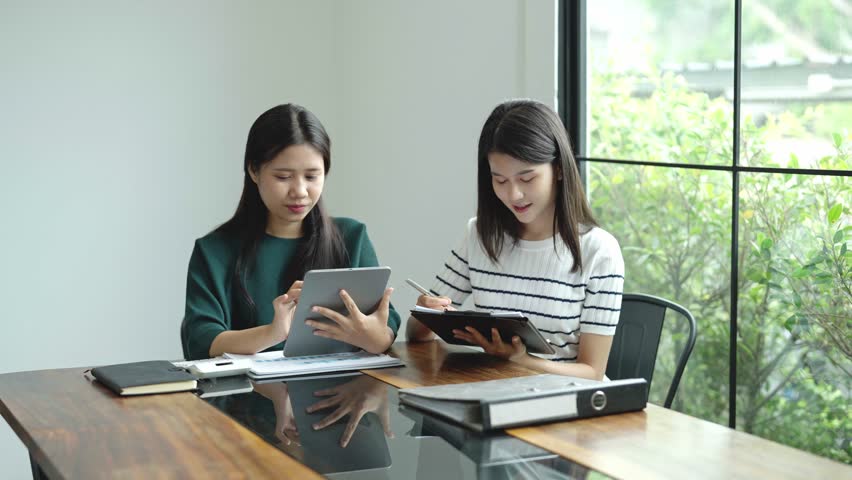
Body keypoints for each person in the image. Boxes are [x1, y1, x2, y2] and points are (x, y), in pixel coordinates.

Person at [406, 99, 624, 380]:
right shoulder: (480, 235)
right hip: (497, 394)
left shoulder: (599, 251)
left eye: (527, 178)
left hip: (569, 406)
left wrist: (522, 360)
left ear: (558, 169)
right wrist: (427, 313)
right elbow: (416, 336)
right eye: (500, 180)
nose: (514, 195)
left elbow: (592, 372)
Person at [183, 103, 400, 360]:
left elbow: (386, 324)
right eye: (283, 177)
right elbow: (201, 338)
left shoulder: (352, 237)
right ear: (254, 171)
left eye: (311, 176)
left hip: (342, 393)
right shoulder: (214, 251)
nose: (299, 191)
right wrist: (274, 333)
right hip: (245, 396)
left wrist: (374, 338)